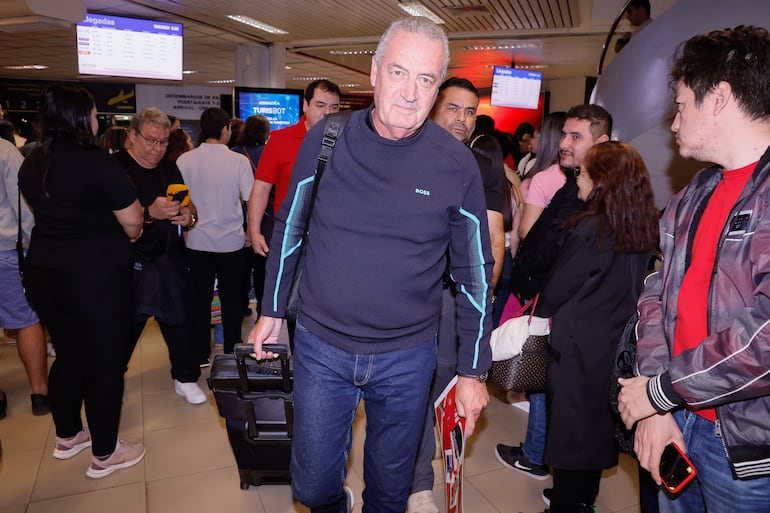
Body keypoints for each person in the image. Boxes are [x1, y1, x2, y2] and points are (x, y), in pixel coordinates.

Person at [248, 17, 493, 513]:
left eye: (426, 80)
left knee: (390, 490)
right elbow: (290, 227)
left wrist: (473, 371)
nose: (409, 92)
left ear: (437, 87)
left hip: (408, 355)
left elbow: (475, 273)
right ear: (376, 72)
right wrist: (271, 310)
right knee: (314, 488)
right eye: (399, 73)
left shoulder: (456, 165)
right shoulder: (327, 140)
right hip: (322, 345)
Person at [618, 26, 770, 513]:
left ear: (720, 98)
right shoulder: (693, 195)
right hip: (679, 423)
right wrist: (659, 409)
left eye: (682, 106)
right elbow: (656, 296)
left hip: (748, 452)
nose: (673, 123)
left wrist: (660, 393)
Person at [18, 84, 144, 478]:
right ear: (80, 117)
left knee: (70, 352)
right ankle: (106, 453)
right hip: (95, 278)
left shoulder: (33, 161)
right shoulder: (97, 163)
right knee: (105, 362)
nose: (96, 118)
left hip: (44, 273)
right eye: (92, 111)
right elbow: (133, 222)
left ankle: (69, 434)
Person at [533, 141, 659, 512]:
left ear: (602, 181)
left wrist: (539, 311)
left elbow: (558, 286)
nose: (578, 183)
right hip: (617, 343)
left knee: (571, 431)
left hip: (576, 344)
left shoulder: (589, 227)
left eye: (582, 175)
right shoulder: (644, 223)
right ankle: (583, 499)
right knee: (595, 426)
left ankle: (567, 503)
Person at [498, 105, 611, 483]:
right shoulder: (570, 182)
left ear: (602, 142)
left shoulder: (594, 193)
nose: (563, 143)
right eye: (563, 134)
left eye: (575, 137)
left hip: (560, 307)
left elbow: (564, 252)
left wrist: (540, 292)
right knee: (549, 387)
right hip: (549, 300)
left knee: (555, 390)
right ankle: (550, 466)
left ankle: (551, 469)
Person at [408, 76, 505, 513]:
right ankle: (417, 483)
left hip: (452, 299)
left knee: (446, 385)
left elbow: (494, 237)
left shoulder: (482, 166)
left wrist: (479, 312)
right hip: (407, 296)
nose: (462, 119)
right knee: (410, 386)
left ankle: (425, 472)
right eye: (453, 108)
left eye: (470, 111)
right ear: (433, 107)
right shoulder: (409, 152)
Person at [116, 108, 206, 403]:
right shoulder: (115, 169)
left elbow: (190, 208)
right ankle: (109, 380)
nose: (157, 149)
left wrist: (187, 217)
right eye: (151, 141)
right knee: (124, 328)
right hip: (129, 263)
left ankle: (186, 376)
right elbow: (103, 220)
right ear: (132, 135)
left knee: (179, 320)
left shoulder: (170, 168)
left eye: (164, 142)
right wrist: (147, 214)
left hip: (169, 258)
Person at [177, 108, 254, 356]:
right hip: (231, 243)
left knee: (198, 301)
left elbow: (180, 202)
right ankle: (232, 351)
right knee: (232, 300)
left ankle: (199, 352)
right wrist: (251, 233)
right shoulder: (238, 161)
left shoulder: (184, 160)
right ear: (225, 130)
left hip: (196, 241)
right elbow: (250, 200)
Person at [247, 79, 341, 260]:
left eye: (334, 107)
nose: (327, 113)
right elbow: (261, 188)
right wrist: (254, 231)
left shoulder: (345, 141)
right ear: (305, 105)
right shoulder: (280, 139)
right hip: (289, 233)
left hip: (332, 235)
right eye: (320, 105)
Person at [0, 136, 49, 418]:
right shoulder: (5, 151)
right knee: (27, 319)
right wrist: (34, 245)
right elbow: (23, 206)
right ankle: (39, 394)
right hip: (6, 251)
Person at [231, 114, 271, 316]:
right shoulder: (269, 153)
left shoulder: (235, 153)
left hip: (239, 221)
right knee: (263, 270)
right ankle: (264, 311)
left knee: (241, 272)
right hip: (264, 220)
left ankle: (241, 307)